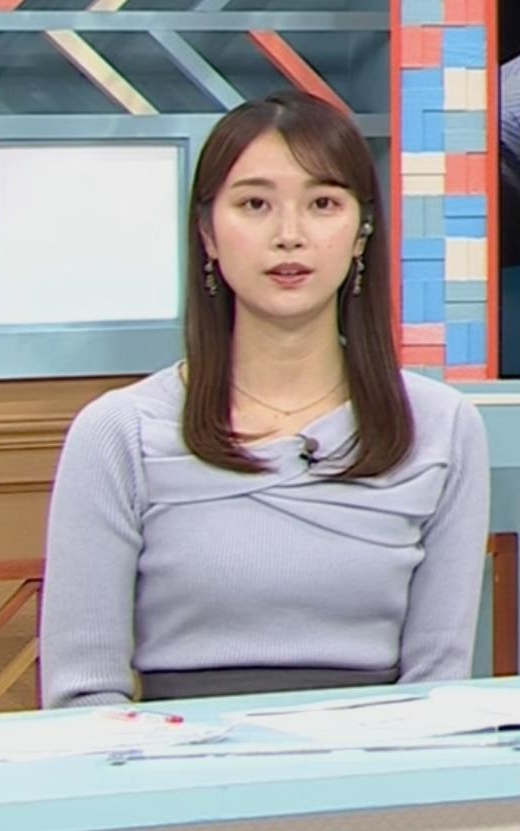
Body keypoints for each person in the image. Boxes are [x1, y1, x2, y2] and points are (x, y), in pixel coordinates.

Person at [40, 90, 489, 708]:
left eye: (323, 204)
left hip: (380, 764)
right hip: (171, 762)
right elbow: (84, 697)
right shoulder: (120, 431)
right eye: (255, 204)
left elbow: (438, 691)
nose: (289, 236)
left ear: (361, 232)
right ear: (208, 233)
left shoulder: (440, 426)